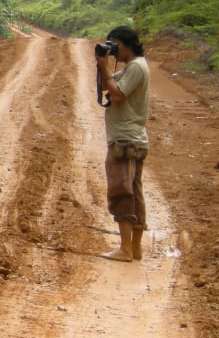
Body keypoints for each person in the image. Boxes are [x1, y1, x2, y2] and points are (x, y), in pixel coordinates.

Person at [95, 26, 151, 262]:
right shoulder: (134, 67)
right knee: (135, 191)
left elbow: (117, 95)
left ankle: (126, 249)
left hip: (125, 140)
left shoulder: (136, 67)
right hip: (134, 138)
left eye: (115, 46)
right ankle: (135, 248)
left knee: (122, 193)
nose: (113, 51)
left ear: (126, 44)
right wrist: (103, 67)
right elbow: (108, 86)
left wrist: (105, 67)